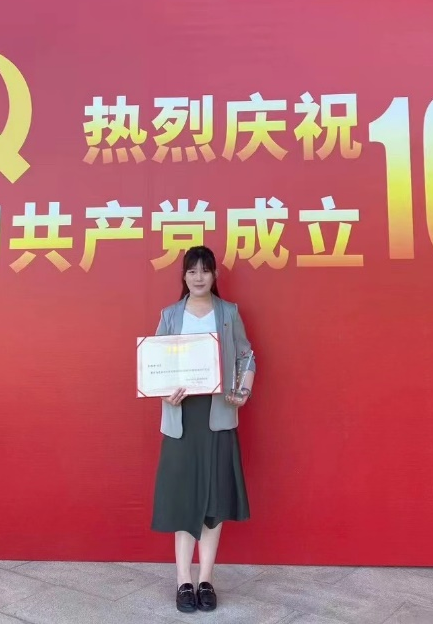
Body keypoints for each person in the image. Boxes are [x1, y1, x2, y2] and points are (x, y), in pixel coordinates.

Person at [151, 245, 256, 613]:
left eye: (205, 270)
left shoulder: (229, 313)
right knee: (184, 500)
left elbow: (246, 355)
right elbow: (154, 363)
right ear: (183, 276)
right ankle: (184, 581)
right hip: (181, 418)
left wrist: (243, 390)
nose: (198, 277)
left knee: (214, 502)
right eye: (192, 271)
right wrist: (165, 392)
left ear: (214, 275)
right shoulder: (169, 315)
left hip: (218, 416)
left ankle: (207, 579)